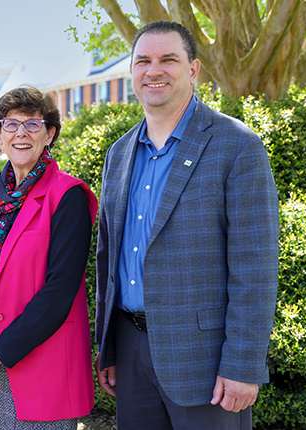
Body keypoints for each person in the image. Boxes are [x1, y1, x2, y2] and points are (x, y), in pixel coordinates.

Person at [94, 21, 279, 430]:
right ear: (131, 72)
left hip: (206, 361)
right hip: (130, 350)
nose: (153, 70)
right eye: (143, 61)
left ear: (193, 70)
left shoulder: (237, 146)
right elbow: (108, 258)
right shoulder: (119, 153)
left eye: (168, 60)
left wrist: (244, 365)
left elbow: (256, 268)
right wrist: (109, 349)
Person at [0, 86, 98, 429]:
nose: (21, 133)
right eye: (11, 124)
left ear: (49, 134)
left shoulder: (67, 196)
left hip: (37, 364)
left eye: (33, 124)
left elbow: (59, 292)